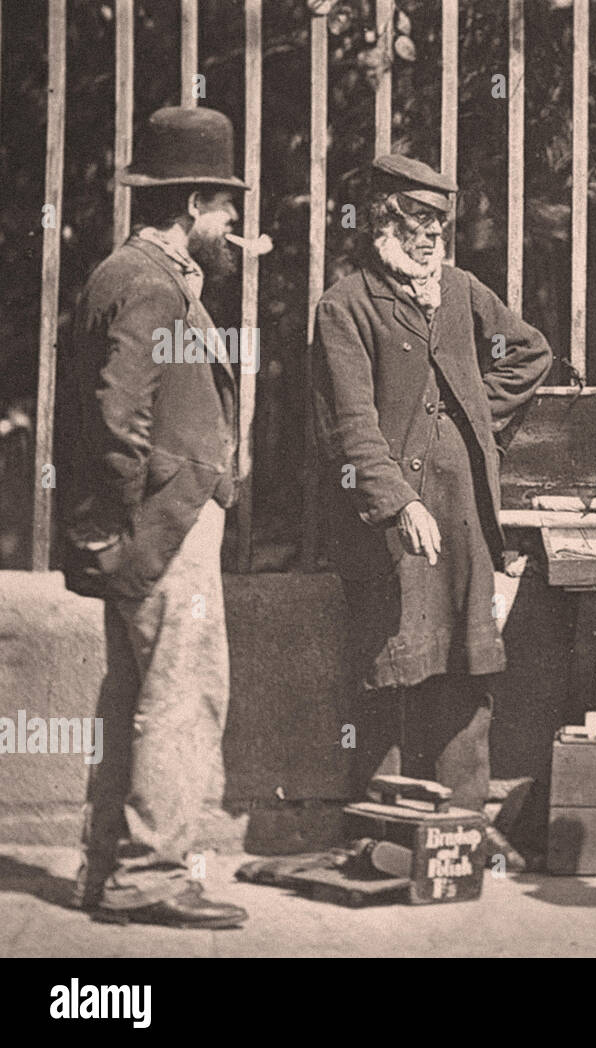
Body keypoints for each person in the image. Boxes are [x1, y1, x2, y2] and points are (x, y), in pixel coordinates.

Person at [312, 154, 551, 821]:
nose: (429, 237)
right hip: (388, 526)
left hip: (465, 515)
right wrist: (400, 501)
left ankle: (461, 830)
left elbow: (529, 354)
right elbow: (350, 430)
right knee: (393, 668)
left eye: (439, 225)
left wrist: (473, 419)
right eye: (416, 221)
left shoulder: (463, 291)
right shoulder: (344, 307)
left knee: (468, 668)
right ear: (383, 222)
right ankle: (382, 832)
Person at [63, 107, 252, 928]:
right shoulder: (148, 283)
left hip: (150, 525)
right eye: (227, 214)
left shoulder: (128, 272)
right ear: (195, 205)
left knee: (135, 696)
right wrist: (133, 522)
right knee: (182, 698)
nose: (234, 230)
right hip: (164, 529)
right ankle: (150, 876)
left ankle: (109, 866)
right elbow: (117, 419)